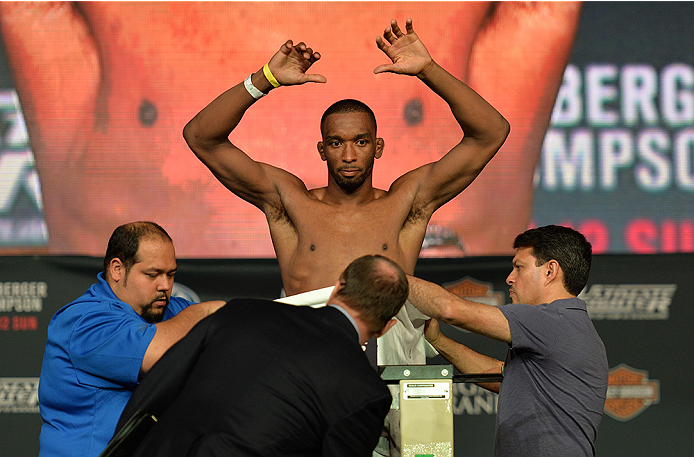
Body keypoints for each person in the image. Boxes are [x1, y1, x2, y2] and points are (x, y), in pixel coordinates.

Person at [0, 2, 583, 257]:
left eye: (361, 142)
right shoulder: (289, 203)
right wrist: (263, 81)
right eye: (338, 143)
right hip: (303, 358)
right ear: (320, 149)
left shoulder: (411, 200)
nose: (350, 154)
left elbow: (491, 132)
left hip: (397, 360)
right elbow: (201, 138)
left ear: (379, 147)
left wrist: (428, 69)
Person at [102, 255, 409, 457]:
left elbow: (159, 385)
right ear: (387, 326)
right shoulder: (367, 393)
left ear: (338, 286)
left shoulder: (242, 311)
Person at [406, 225, 609, 456]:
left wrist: (387, 275)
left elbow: (451, 310)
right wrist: (439, 341)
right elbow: (505, 378)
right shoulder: (570, 326)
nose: (509, 278)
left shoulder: (553, 320)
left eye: (519, 267)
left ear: (550, 271)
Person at [37, 221, 226, 457]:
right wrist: (205, 312)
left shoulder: (173, 310)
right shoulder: (82, 321)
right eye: (153, 274)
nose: (166, 286)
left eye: (171, 274)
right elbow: (157, 355)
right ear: (117, 269)